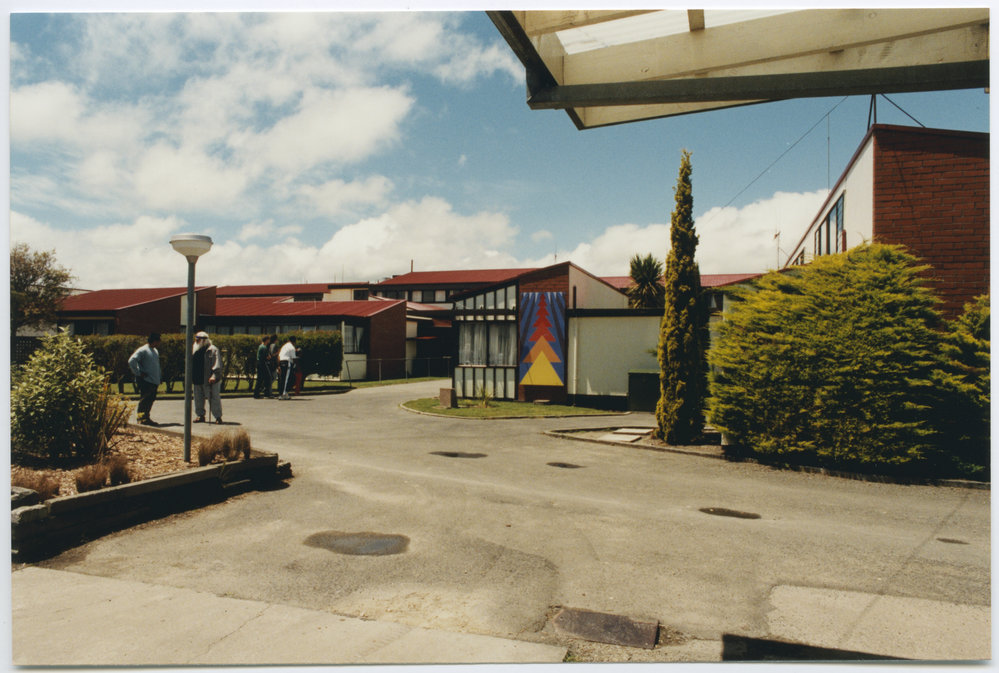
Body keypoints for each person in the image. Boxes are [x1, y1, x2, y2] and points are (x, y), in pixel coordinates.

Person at [128, 332, 161, 425]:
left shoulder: (155, 351)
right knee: (145, 399)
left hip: (154, 380)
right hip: (146, 380)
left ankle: (146, 417)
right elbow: (131, 361)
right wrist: (138, 373)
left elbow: (156, 366)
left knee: (151, 399)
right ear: (154, 341)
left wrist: (159, 377)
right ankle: (141, 418)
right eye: (158, 341)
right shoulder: (143, 350)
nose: (159, 343)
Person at [192, 331, 223, 423]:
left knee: (214, 398)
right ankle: (200, 415)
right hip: (197, 378)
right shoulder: (194, 349)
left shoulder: (212, 349)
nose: (196, 341)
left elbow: (217, 364)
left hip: (208, 379)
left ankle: (218, 417)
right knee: (198, 399)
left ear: (203, 340)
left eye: (198, 340)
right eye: (196, 339)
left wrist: (214, 376)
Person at [277, 335, 298, 400]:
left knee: (283, 378)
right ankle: (283, 394)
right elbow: (294, 358)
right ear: (294, 342)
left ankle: (284, 393)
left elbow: (279, 356)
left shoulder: (284, 346)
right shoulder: (292, 347)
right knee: (286, 379)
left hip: (281, 361)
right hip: (287, 363)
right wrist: (296, 365)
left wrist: (278, 365)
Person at [253, 334, 273, 399]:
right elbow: (267, 357)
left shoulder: (260, 346)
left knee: (260, 379)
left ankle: (256, 393)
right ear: (267, 340)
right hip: (262, 363)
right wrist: (269, 357)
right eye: (268, 340)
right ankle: (267, 393)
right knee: (268, 377)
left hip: (259, 363)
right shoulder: (264, 347)